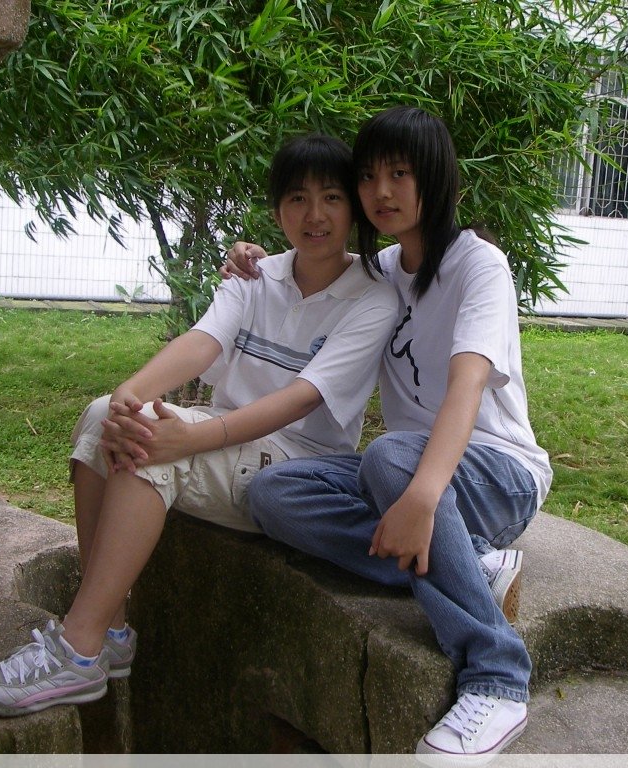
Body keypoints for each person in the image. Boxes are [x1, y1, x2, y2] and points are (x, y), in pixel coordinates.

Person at [0, 134, 400, 717]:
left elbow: (301, 400)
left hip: (294, 464)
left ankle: (78, 649)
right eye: (297, 198)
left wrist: (191, 436)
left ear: (354, 210)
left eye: (332, 198)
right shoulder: (256, 274)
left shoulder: (373, 298)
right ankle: (108, 632)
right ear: (276, 211)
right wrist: (131, 393)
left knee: (154, 449)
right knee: (102, 416)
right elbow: (204, 340)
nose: (314, 215)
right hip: (223, 435)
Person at [223, 106, 553, 760]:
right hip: (405, 471)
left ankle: (496, 675)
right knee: (271, 493)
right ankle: (465, 561)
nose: (380, 192)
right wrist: (252, 259)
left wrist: (424, 499)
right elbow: (309, 262)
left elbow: (466, 385)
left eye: (399, 174)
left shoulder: (478, 265)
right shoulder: (380, 273)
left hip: (498, 473)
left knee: (389, 455)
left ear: (436, 178)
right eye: (368, 176)